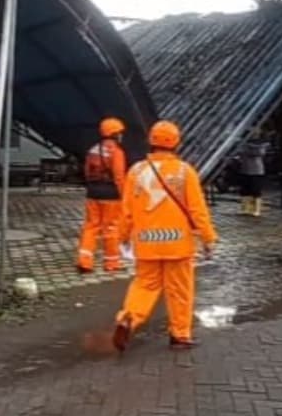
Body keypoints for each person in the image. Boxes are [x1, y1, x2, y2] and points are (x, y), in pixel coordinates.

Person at [112, 120, 218, 352]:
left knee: (144, 285)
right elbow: (197, 210)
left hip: (146, 242)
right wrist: (208, 238)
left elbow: (127, 210)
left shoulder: (136, 171)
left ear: (151, 141)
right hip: (178, 244)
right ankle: (180, 335)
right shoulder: (184, 171)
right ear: (176, 143)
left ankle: (128, 317)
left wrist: (122, 237)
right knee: (179, 289)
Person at [77, 117, 128, 273]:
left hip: (93, 193)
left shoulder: (93, 149)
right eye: (120, 133)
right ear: (115, 134)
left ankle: (84, 261)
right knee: (111, 228)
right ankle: (112, 263)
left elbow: (86, 172)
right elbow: (119, 177)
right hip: (111, 195)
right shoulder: (117, 152)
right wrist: (124, 196)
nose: (121, 135)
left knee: (91, 226)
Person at [237, 136, 268, 216]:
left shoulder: (261, 145)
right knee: (244, 191)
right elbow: (240, 152)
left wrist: (251, 147)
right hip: (245, 169)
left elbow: (259, 153)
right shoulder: (243, 144)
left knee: (256, 191)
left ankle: (257, 209)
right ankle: (245, 208)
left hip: (256, 171)